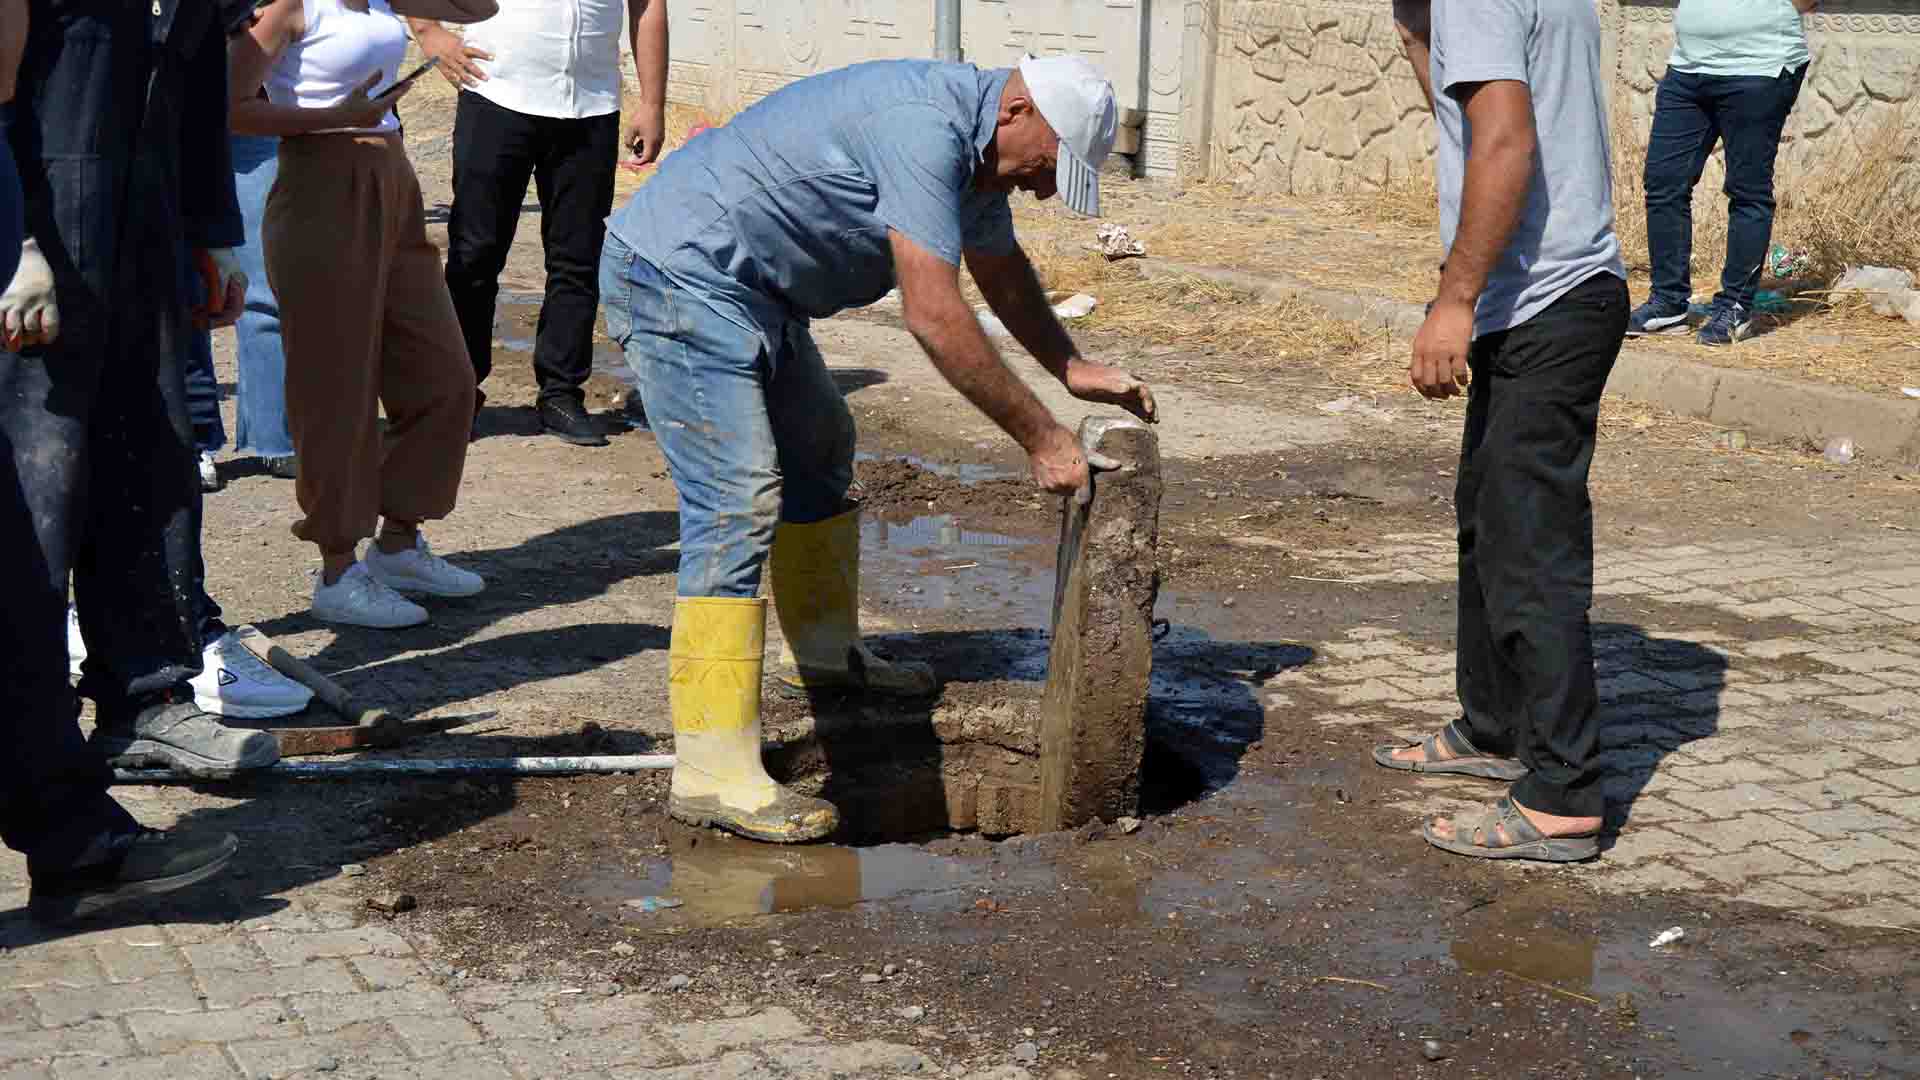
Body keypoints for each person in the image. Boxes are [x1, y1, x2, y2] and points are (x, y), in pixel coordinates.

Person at [600, 54, 1158, 844]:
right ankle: (711, 769)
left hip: (759, 294)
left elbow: (999, 270)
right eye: (1044, 166)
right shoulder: (922, 131)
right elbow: (934, 316)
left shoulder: (976, 157)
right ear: (1018, 113)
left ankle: (828, 659)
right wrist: (1039, 434)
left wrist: (1072, 367)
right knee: (736, 500)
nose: (1040, 187)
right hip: (680, 277)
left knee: (823, 446)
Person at [2, 0, 271, 925]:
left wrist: (213, 225)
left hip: (142, 211)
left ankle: (146, 698)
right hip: (38, 220)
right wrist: (21, 240)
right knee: (38, 500)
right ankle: (49, 778)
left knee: (150, 460)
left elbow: (197, 78)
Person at [1375, 0, 1627, 863]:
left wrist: (1453, 300)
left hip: (1548, 301)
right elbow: (1465, 110)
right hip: (1542, 303)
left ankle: (1563, 791)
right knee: (1486, 518)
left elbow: (1507, 143)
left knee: (1529, 544)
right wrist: (1417, 29)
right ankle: (1492, 727)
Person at [231, 0, 497, 630]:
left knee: (446, 377)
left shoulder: (383, 1)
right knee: (338, 388)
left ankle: (399, 544)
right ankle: (337, 568)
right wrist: (332, 118)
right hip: (320, 183)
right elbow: (231, 108)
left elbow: (481, 8)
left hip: (393, 175)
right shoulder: (291, 9)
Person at [409, 0, 667, 446]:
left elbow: (648, 8)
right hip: (496, 93)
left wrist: (652, 102)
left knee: (578, 259)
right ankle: (458, 389)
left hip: (591, 104)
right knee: (475, 253)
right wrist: (428, 30)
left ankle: (562, 394)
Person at [1627, 0, 1815, 346]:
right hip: (1689, 65)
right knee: (1664, 181)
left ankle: (1734, 307)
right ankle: (1668, 304)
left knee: (1747, 190)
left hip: (1760, 66)